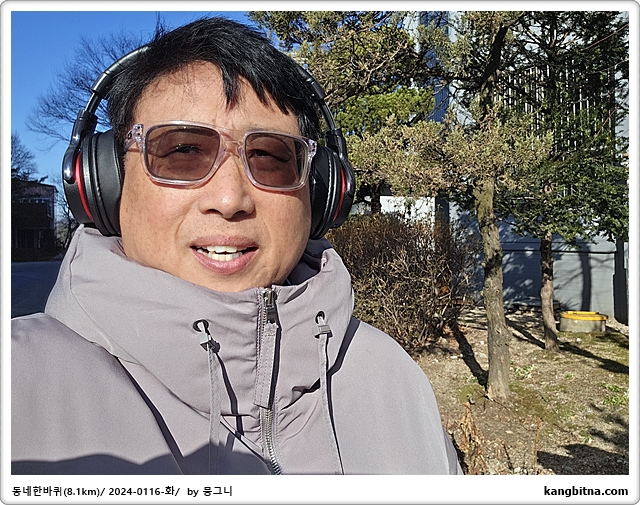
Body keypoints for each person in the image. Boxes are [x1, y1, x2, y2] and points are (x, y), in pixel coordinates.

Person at [12, 17, 462, 475]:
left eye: (269, 156)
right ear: (104, 181)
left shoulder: (395, 380)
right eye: (182, 151)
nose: (229, 200)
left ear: (323, 190)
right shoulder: (17, 381)